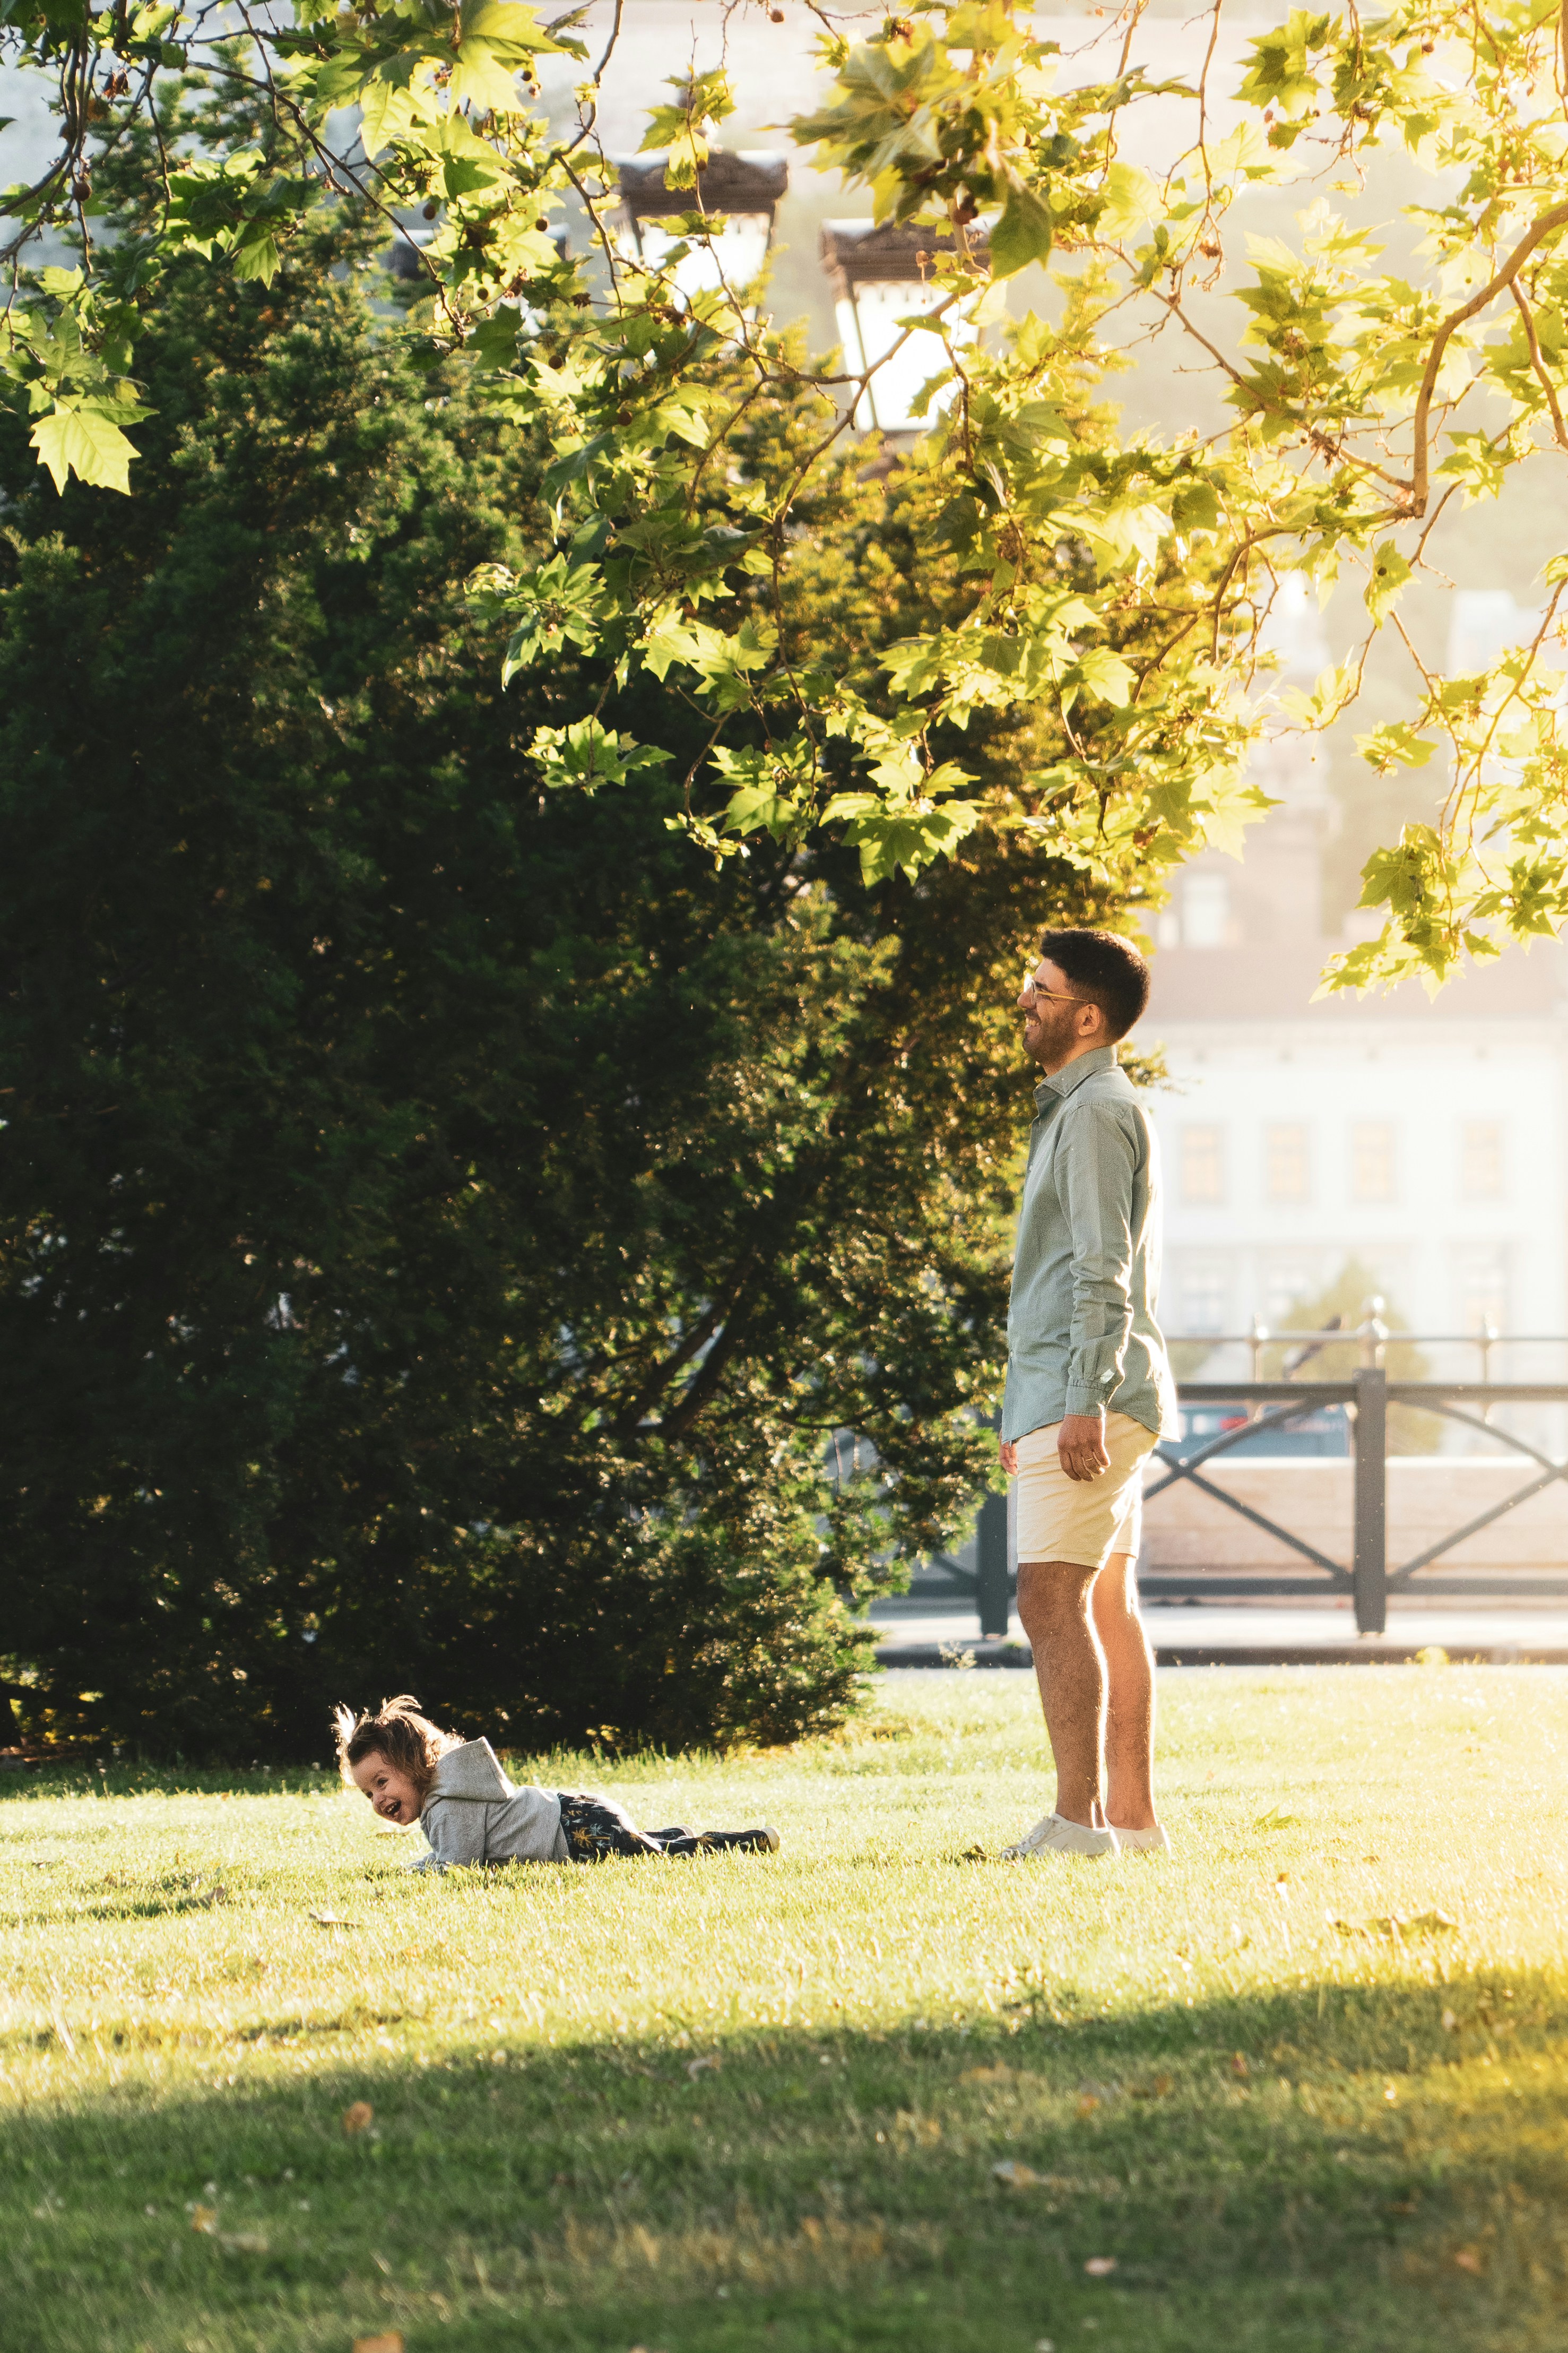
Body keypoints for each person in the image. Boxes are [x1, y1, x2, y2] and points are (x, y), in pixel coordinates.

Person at [997, 929, 1178, 1861]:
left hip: (1088, 1394)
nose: (1023, 1001)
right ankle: (1133, 1825)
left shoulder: (1096, 1111)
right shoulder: (1085, 1107)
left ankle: (1078, 1823)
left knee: (1048, 1599)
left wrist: (1078, 1400)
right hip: (1079, 1389)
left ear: (1086, 1017)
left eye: (1041, 989)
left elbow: (1100, 1271)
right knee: (1105, 1600)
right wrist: (1026, 1408)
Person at [334, 1695, 780, 1868]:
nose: (378, 1798)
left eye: (382, 1781)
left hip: (574, 1830)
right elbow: (455, 1852)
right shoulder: (448, 1795)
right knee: (636, 1848)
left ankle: (750, 1841)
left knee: (656, 1860)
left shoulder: (448, 1804)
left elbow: (458, 1864)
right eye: (368, 1792)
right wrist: (420, 1864)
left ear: (412, 1761)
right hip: (574, 1816)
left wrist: (414, 1871)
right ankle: (672, 1832)